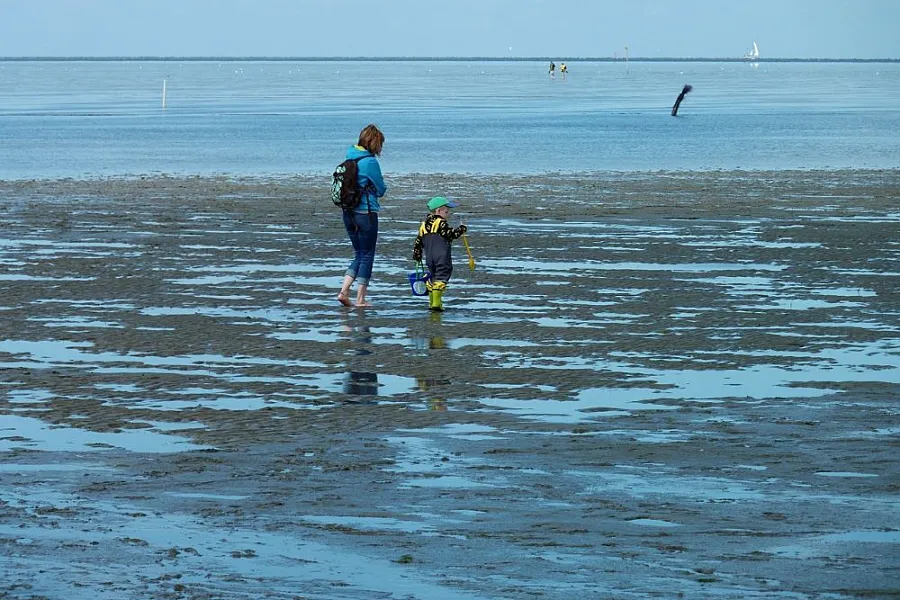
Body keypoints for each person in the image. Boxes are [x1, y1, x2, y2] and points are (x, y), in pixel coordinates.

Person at [337, 124, 386, 308]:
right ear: (374, 142)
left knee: (359, 253)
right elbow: (381, 190)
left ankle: (343, 292)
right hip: (366, 213)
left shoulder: (349, 158)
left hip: (347, 212)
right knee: (367, 255)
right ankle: (360, 299)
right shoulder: (370, 162)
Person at [412, 196, 467, 312]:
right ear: (438, 211)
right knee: (442, 276)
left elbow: (418, 242)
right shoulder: (441, 223)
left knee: (433, 277)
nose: (448, 214)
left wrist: (417, 254)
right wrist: (461, 229)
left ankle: (432, 302)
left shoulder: (423, 225)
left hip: (430, 258)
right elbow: (450, 235)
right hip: (442, 256)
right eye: (446, 211)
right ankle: (436, 303)